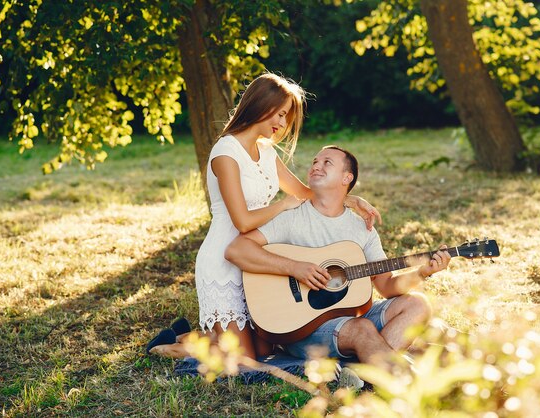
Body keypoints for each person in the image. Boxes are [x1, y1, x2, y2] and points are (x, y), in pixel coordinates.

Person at [147, 74, 381, 359]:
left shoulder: (266, 152)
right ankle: (170, 348)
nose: (282, 125)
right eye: (281, 115)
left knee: (266, 346)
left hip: (259, 262)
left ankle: (190, 334)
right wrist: (281, 207)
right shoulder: (226, 152)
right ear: (262, 105)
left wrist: (350, 198)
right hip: (223, 262)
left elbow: (305, 193)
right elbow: (242, 221)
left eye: (286, 118)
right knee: (245, 359)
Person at [224, 146, 451, 364]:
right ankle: (393, 375)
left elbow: (387, 286)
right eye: (315, 161)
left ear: (346, 178)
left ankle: (367, 367)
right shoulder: (292, 217)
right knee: (361, 329)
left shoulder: (363, 229)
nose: (316, 166)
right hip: (302, 330)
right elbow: (237, 250)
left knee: (419, 305)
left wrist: (422, 272)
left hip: (351, 321)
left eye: (327, 162)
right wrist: (294, 267)